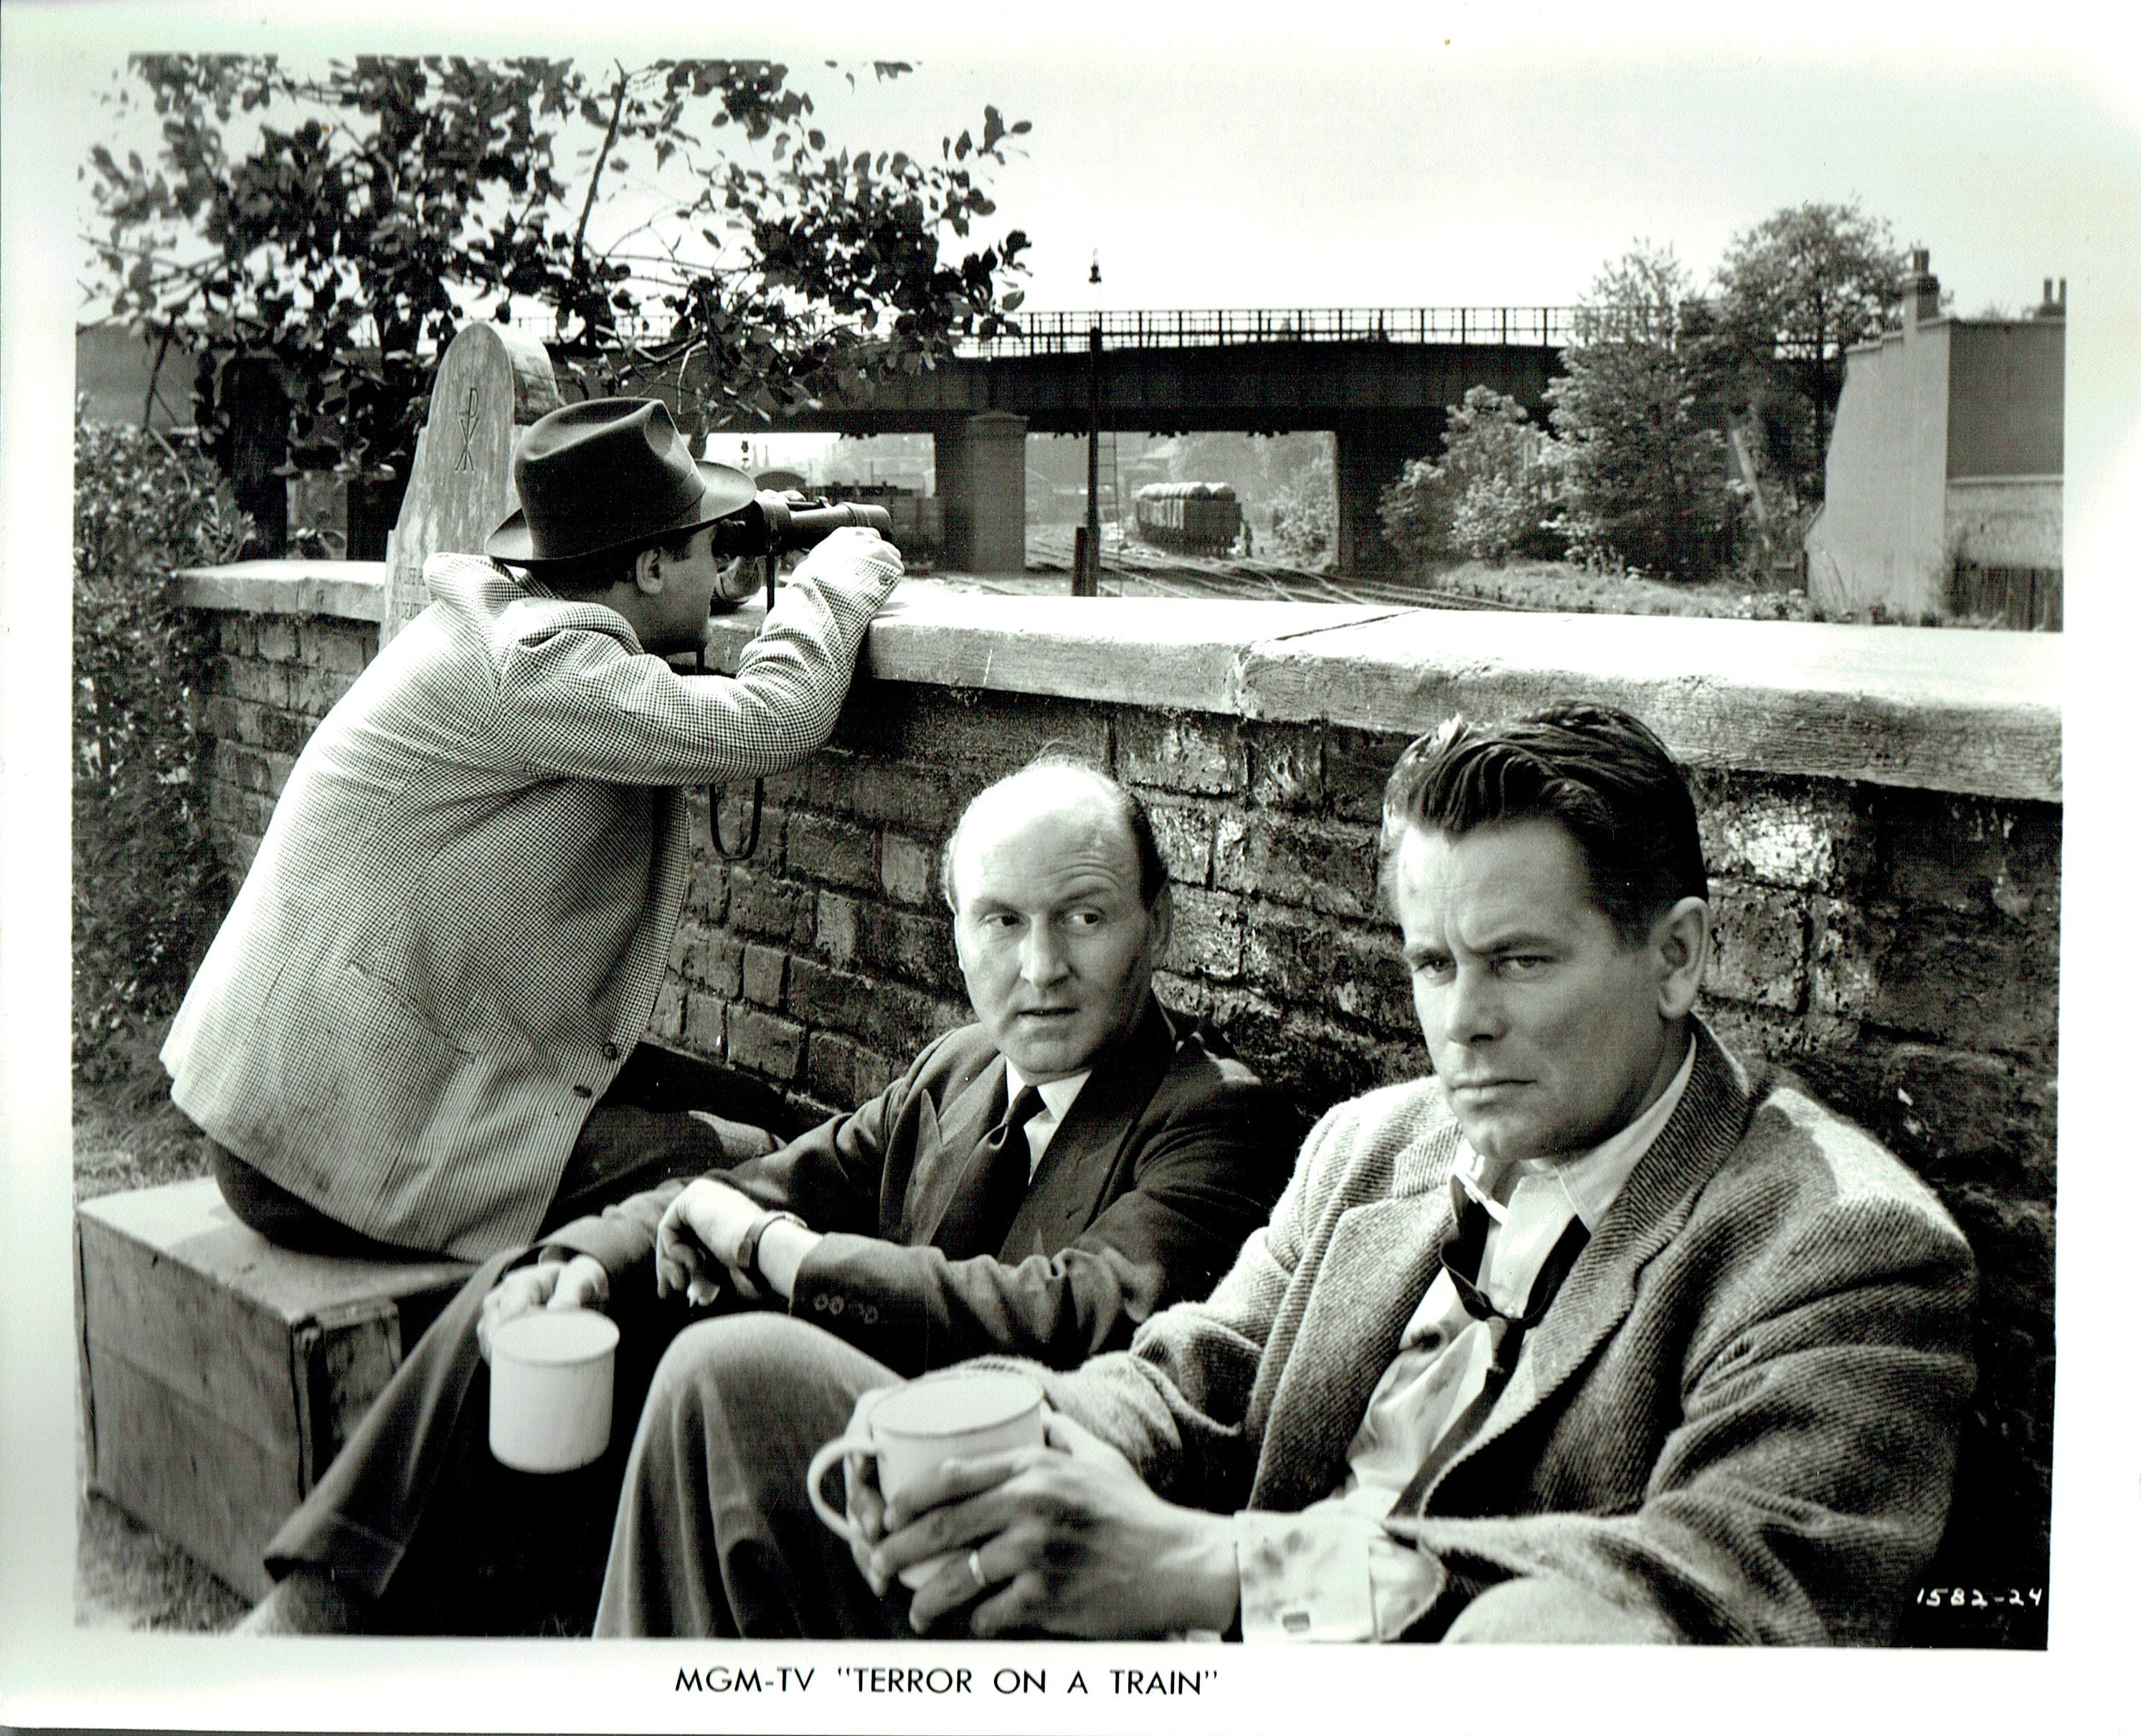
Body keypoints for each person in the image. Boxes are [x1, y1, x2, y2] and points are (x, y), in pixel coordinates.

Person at [607, 703, 1977, 1646]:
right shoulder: (1377, 1141)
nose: (1462, 1022)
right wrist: (1020, 1447)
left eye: (1519, 962)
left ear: (1677, 958)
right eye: (1434, 963)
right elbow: (1191, 1374)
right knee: (736, 1382)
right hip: (1166, 1645)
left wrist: (1203, 1571)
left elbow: (1719, 1592)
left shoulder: (1837, 1241)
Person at [240, 756, 1300, 1636]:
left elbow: (1069, 1313)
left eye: (1083, 917)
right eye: (1001, 920)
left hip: (978, 1541)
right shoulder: (958, 1069)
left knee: (716, 1358)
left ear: (1156, 927)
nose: (1040, 966)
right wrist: (589, 1262)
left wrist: (779, 1253)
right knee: (537, 1297)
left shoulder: (1215, 1117)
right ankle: (319, 1612)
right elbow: (773, 1181)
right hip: (827, 1473)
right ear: (955, 932)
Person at [162, 397, 901, 1261]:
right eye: (705, 547)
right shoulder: (537, 667)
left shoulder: (504, 622)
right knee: (751, 1165)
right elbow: (773, 717)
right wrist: (833, 580)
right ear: (652, 566)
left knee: (771, 1114)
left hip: (327, 1092)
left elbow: (631, 640)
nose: (718, 562)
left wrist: (706, 583)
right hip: (328, 1148)